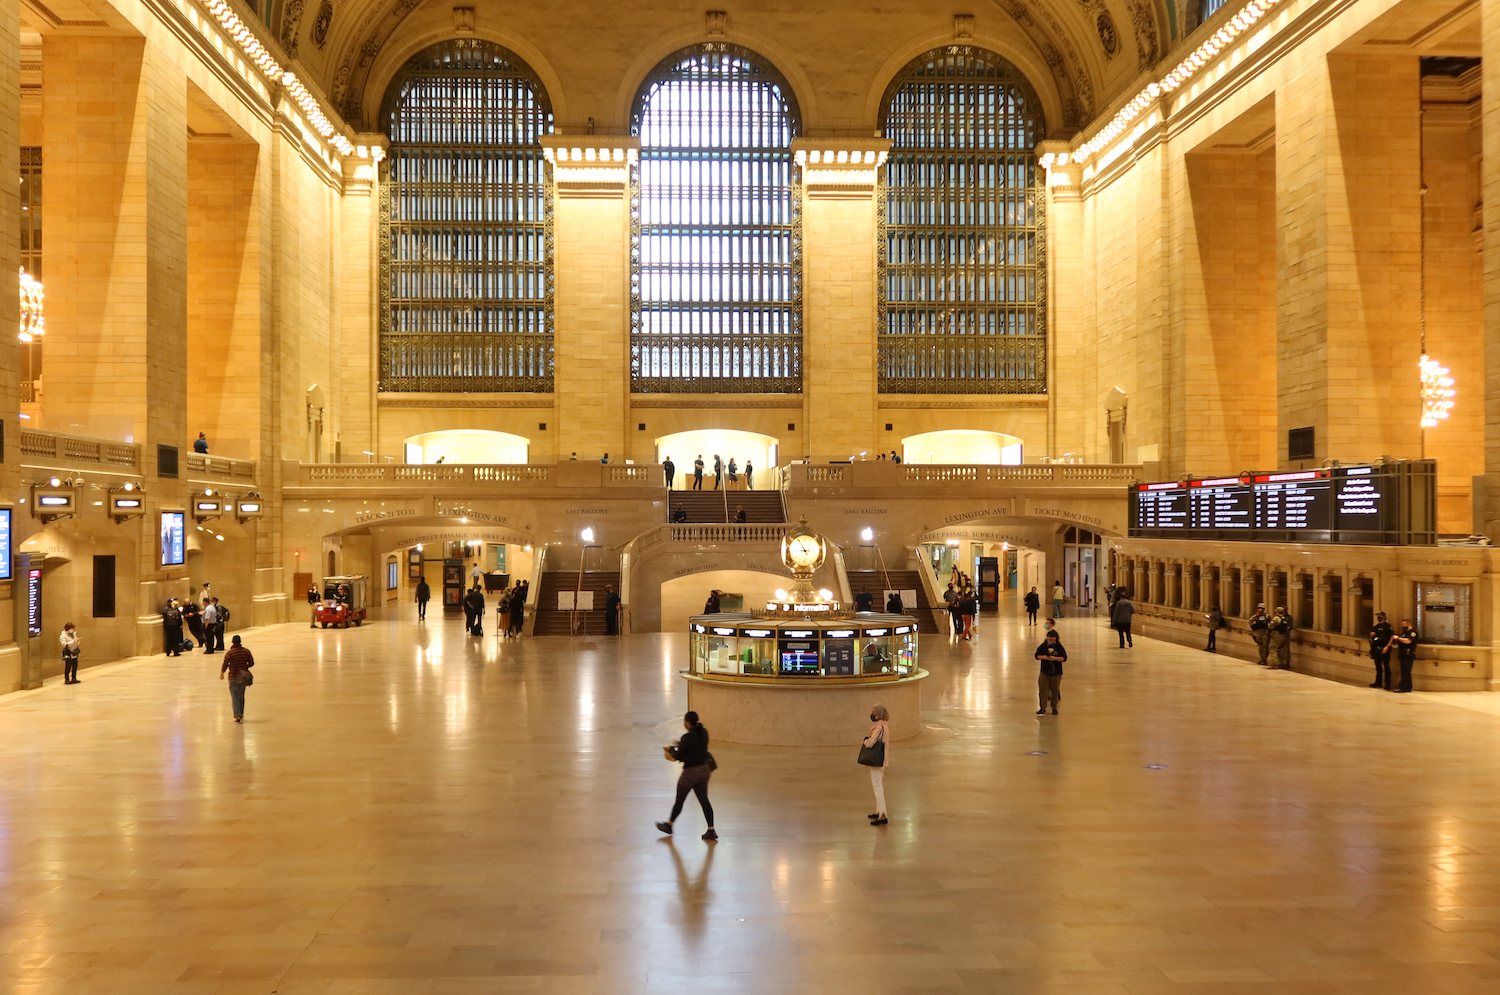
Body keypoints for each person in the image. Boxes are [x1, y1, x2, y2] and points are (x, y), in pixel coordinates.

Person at [656, 710, 717, 841]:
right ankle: (711, 830)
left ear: (688, 723)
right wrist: (681, 744)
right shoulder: (703, 732)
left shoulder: (687, 738)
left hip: (690, 773)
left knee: (680, 800)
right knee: (704, 801)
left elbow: (679, 756)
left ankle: (669, 825)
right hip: (704, 770)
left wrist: (671, 748)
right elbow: (695, 747)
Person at [862, 704, 891, 825]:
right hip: (880, 759)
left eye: (874, 713)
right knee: (877, 786)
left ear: (879, 715)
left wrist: (865, 741)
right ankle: (878, 810)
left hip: (877, 760)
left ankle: (883, 814)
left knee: (878, 787)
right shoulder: (884, 726)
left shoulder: (879, 728)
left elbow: (871, 743)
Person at [219, 634, 254, 724]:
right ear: (240, 642)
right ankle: (241, 713)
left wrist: (222, 673)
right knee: (241, 696)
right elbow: (251, 663)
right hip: (243, 677)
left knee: (234, 696)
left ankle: (237, 715)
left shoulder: (230, 653)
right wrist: (244, 666)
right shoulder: (246, 651)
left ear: (232, 642)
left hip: (233, 677)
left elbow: (225, 663)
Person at [1035, 630, 1066, 715]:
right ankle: (1042, 707)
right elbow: (1037, 656)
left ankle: (1054, 707)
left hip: (1056, 672)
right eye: (1049, 638)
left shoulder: (1059, 647)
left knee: (1054, 690)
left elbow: (1064, 658)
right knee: (1043, 689)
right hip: (1044, 672)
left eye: (1052, 638)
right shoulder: (1043, 646)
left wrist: (1055, 658)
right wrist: (1045, 657)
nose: (1050, 639)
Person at [1368, 611, 1395, 689]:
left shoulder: (1387, 626)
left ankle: (1387, 683)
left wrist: (1387, 646)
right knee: (1378, 666)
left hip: (1384, 648)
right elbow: (1371, 637)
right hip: (1376, 649)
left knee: (1386, 666)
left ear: (1384, 617)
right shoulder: (1375, 627)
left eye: (1380, 616)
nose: (1378, 617)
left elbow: (1391, 637)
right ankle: (1378, 682)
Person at [1392, 619, 1419, 693]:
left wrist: (1398, 638)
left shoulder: (1413, 633)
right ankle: (1408, 686)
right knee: (1405, 671)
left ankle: (1403, 687)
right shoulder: (1404, 632)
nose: (1403, 626)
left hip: (1408, 654)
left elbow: (1408, 641)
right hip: (1403, 653)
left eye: (1404, 625)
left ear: (1408, 624)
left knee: (1406, 671)